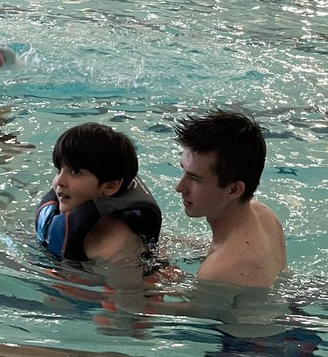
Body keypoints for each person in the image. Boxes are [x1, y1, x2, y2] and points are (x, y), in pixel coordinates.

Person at [175, 110, 285, 288]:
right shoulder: (264, 215)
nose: (179, 187)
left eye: (195, 179)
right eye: (183, 170)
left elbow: (196, 312)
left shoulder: (218, 272)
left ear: (234, 189)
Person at [36, 123, 162, 263]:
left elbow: (128, 284)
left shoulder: (113, 245)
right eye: (59, 169)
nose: (59, 181)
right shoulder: (75, 208)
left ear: (110, 186)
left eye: (75, 172)